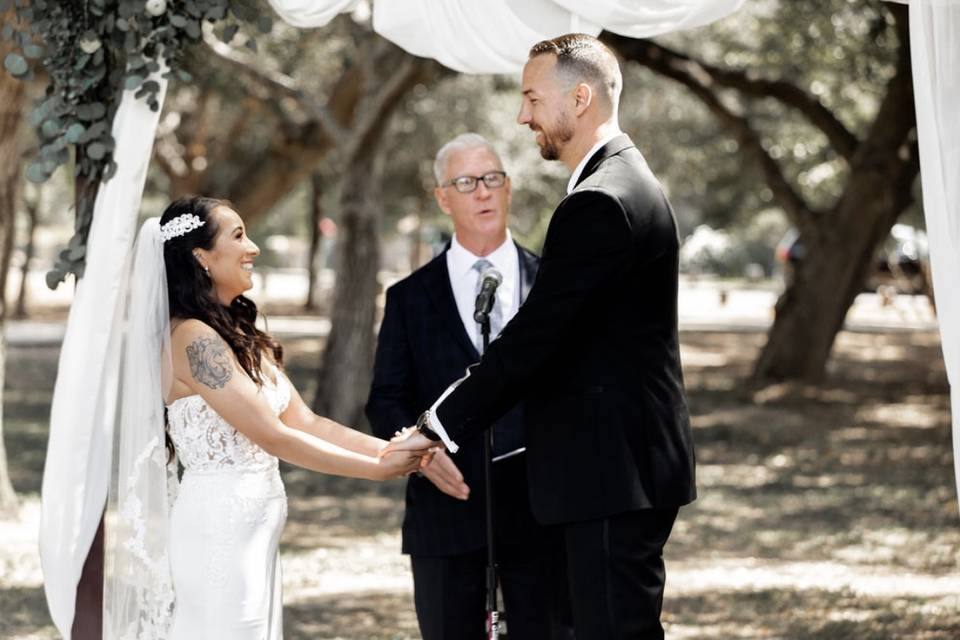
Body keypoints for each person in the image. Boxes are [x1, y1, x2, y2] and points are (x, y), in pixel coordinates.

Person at [383, 34, 697, 639]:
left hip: (611, 471)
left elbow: (535, 341)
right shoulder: (621, 181)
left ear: (580, 98)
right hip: (621, 469)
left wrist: (437, 426)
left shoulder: (600, 201)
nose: (522, 116)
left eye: (531, 98)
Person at [107, 196, 428, 640]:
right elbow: (274, 436)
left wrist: (394, 447)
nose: (253, 247)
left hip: (253, 532)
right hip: (219, 533)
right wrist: (376, 470)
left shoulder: (239, 332)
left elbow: (307, 422)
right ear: (201, 257)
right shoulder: (193, 339)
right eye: (238, 235)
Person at [367, 133, 568, 639]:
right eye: (466, 182)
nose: (482, 192)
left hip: (542, 513)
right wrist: (423, 455)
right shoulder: (409, 297)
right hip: (445, 512)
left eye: (492, 179)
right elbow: (385, 399)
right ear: (442, 197)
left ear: (508, 188)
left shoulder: (553, 284)